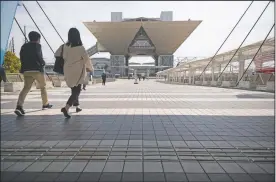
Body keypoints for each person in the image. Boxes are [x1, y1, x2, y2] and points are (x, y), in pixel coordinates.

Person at [55, 28, 93, 118]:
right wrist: (90, 68)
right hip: (78, 70)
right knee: (77, 90)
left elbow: (56, 54)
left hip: (67, 70)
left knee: (73, 89)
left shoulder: (64, 46)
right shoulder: (80, 48)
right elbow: (87, 59)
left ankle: (77, 106)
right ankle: (67, 107)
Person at [14, 31, 53, 116]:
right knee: (43, 87)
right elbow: (39, 56)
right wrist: (43, 63)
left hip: (26, 70)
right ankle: (45, 104)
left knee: (26, 88)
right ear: (38, 39)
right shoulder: (37, 46)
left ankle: (19, 106)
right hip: (37, 70)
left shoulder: (23, 46)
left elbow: (21, 57)